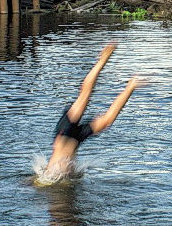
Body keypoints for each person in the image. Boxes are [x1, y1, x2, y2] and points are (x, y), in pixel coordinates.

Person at [39, 45, 140, 183]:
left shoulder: (46, 180)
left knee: (84, 96)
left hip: (64, 133)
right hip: (76, 140)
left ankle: (102, 60)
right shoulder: (51, 180)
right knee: (107, 121)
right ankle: (131, 86)